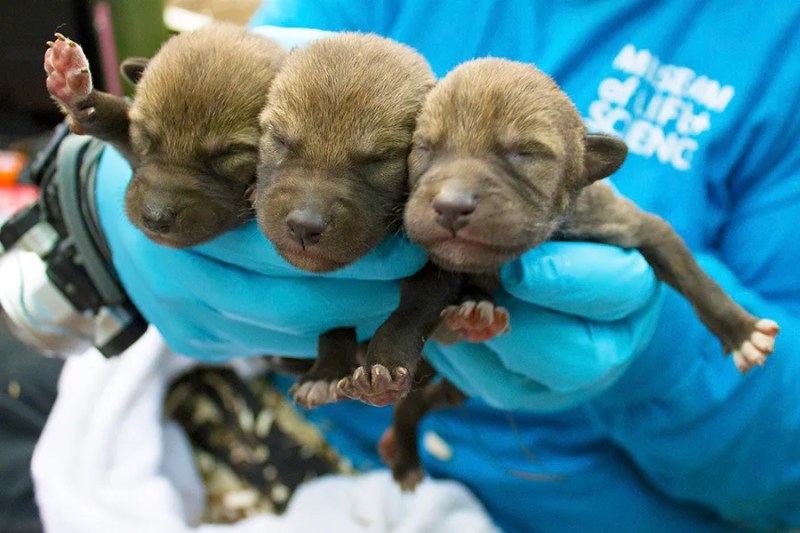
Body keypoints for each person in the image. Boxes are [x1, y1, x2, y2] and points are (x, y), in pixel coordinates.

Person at [89, 1, 800, 531]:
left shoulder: (779, 45)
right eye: (420, 153)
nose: (451, 190)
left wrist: (661, 352)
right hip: (315, 452)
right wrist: (96, 184)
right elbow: (224, 91)